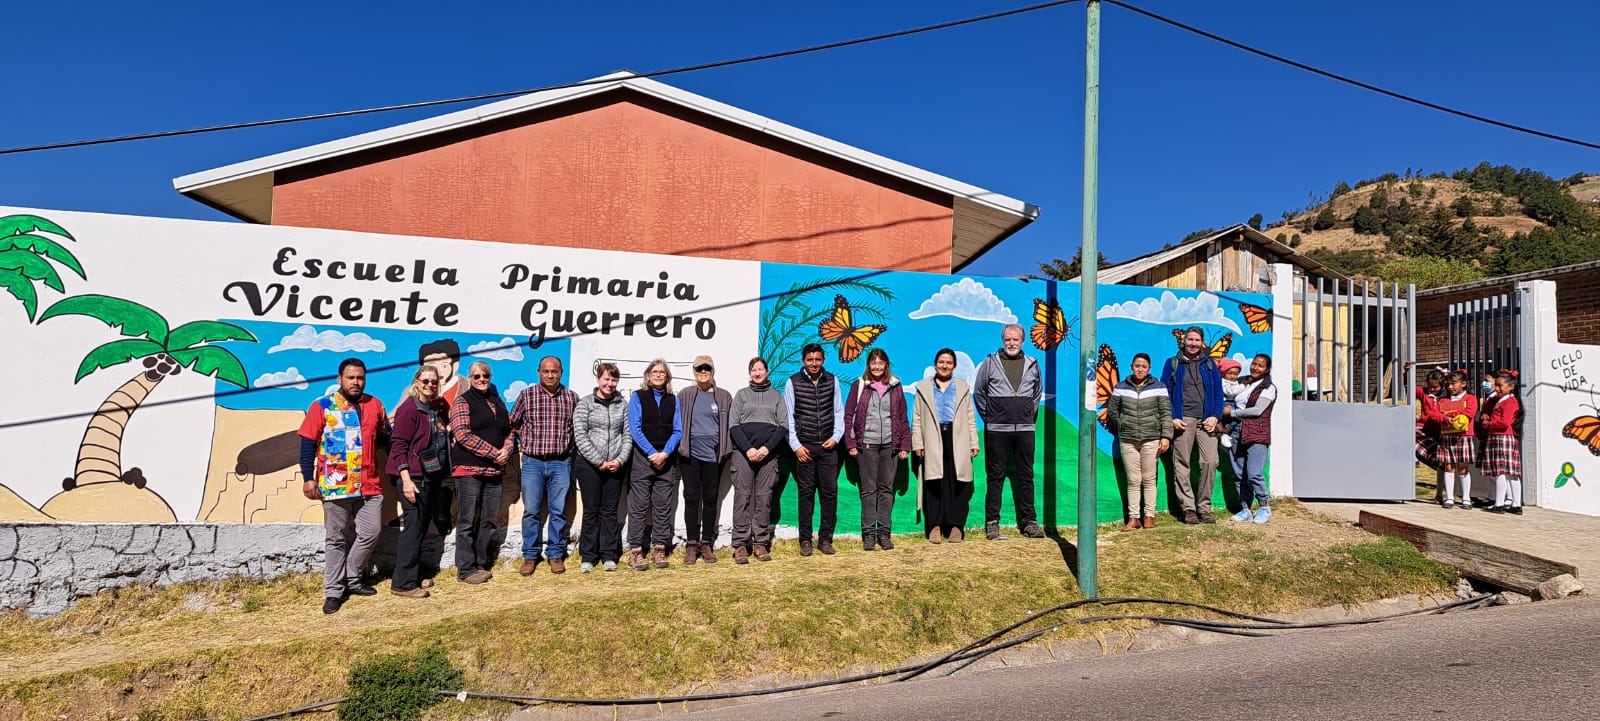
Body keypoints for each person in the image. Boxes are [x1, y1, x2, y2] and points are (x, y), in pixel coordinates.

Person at [299, 358, 391, 614]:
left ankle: (352, 577)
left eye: (360, 377)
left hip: (369, 485)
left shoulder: (376, 405)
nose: (356, 382)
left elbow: (387, 439)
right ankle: (334, 591)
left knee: (371, 532)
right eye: (350, 377)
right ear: (340, 379)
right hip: (335, 486)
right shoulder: (323, 406)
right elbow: (307, 444)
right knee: (336, 539)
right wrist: (308, 477)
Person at [973, 324, 1045, 540]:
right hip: (996, 431)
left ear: (1023, 341)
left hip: (1024, 430)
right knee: (995, 477)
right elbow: (979, 393)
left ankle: (1030, 523)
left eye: (1015, 339)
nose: (1011, 343)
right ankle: (992, 523)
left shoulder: (1033, 364)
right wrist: (993, 418)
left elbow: (1036, 393)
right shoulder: (990, 363)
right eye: (1007, 340)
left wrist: (1025, 416)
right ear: (1003, 341)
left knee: (1026, 476)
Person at [509, 356, 579, 576]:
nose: (550, 375)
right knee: (531, 511)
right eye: (546, 371)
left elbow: (577, 428)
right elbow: (513, 422)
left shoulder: (571, 397)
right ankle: (530, 555)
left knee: (558, 511)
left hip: (561, 462)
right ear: (539, 372)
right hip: (532, 463)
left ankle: (556, 554)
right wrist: (527, 438)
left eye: (555, 371)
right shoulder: (527, 396)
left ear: (561, 373)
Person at [386, 365, 452, 598]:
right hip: (413, 478)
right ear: (416, 382)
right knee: (412, 529)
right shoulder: (409, 409)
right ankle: (402, 584)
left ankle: (412, 575)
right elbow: (399, 446)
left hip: (430, 476)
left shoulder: (436, 407)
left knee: (421, 528)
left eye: (434, 382)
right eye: (425, 381)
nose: (430, 385)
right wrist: (406, 479)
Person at [449, 360, 514, 584]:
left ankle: (481, 563)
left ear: (490, 377)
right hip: (469, 470)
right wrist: (494, 453)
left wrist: (507, 449)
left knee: (488, 519)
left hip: (493, 472)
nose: (482, 380)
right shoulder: (462, 402)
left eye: (485, 375)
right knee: (467, 520)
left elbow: (509, 431)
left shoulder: (498, 402)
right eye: (476, 376)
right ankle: (465, 569)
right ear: (470, 378)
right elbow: (462, 435)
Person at [843, 348, 911, 551]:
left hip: (890, 445)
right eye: (873, 362)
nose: (877, 366)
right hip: (867, 445)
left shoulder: (895, 385)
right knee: (868, 490)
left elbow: (902, 416)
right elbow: (849, 416)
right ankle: (869, 535)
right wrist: (851, 443)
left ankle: (884, 534)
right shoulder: (860, 385)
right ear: (868, 365)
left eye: (881, 362)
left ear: (886, 365)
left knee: (886, 489)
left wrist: (904, 444)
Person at [911, 348, 979, 543]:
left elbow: (970, 416)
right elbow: (916, 418)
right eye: (941, 362)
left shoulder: (962, 386)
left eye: (949, 363)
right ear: (935, 364)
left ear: (954, 366)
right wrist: (918, 443)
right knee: (934, 482)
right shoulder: (923, 388)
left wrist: (973, 442)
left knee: (957, 483)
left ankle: (956, 526)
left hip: (957, 438)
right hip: (932, 438)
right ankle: (935, 526)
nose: (945, 365)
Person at [1160, 326, 1225, 524]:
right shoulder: (1172, 364)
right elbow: (1165, 393)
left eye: (1197, 340)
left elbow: (1218, 394)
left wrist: (1215, 416)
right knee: (1182, 464)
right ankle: (1188, 509)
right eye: (1190, 340)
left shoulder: (1210, 365)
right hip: (1183, 420)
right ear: (1184, 341)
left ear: (1202, 342)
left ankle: (1204, 508)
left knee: (1209, 462)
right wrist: (1172, 416)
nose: (1193, 344)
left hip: (1207, 420)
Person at [785, 344, 846, 556]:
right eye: (810, 359)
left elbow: (839, 411)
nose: (814, 363)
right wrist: (796, 446)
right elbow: (789, 417)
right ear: (803, 360)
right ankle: (805, 540)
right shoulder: (792, 382)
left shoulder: (833, 381)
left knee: (829, 494)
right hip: (805, 448)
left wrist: (836, 437)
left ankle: (826, 539)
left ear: (823, 360)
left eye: (817, 359)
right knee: (806, 495)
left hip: (828, 447)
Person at [729, 357, 788, 563]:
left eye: (760, 369)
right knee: (742, 498)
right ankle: (740, 545)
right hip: (743, 455)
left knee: (764, 498)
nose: (757, 372)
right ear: (749, 373)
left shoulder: (777, 397)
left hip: (769, 456)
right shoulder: (741, 395)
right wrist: (749, 449)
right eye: (753, 369)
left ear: (767, 371)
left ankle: (760, 543)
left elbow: (783, 426)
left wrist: (766, 448)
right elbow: (733, 425)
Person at [572, 362, 629, 572]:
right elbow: (580, 434)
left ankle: (609, 555)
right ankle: (588, 555)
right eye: (606, 379)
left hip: (615, 465)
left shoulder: (622, 404)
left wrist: (620, 460)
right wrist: (598, 461)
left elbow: (627, 435)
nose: (610, 383)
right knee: (591, 510)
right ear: (598, 379)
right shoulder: (585, 403)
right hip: (589, 466)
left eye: (614, 380)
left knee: (610, 512)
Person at [1106, 352, 1172, 531]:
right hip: (1128, 440)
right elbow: (1112, 411)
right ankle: (1133, 518)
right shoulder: (1121, 387)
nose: (1140, 369)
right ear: (1131, 367)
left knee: (1149, 479)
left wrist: (1165, 436)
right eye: (1137, 365)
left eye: (1144, 366)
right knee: (1133, 480)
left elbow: (1166, 413)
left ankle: (1149, 516)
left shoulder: (1159, 387)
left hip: (1151, 439)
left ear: (1149, 369)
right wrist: (1123, 423)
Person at [627, 359, 682, 570]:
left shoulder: (673, 400)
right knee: (639, 506)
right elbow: (635, 428)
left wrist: (665, 453)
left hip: (666, 460)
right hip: (643, 458)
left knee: (662, 506)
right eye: (654, 372)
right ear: (648, 376)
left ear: (667, 377)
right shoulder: (638, 397)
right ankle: (636, 551)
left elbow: (677, 430)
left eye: (662, 372)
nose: (658, 375)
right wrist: (652, 453)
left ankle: (660, 548)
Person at [678, 355, 733, 565]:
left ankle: (707, 543)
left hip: (714, 457)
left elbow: (729, 425)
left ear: (713, 371)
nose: (703, 371)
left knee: (710, 499)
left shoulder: (724, 396)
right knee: (691, 498)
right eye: (699, 368)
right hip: (690, 456)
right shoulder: (685, 395)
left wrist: (725, 449)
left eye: (707, 368)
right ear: (693, 371)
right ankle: (691, 545)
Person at [1226, 354, 1277, 524]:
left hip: (1257, 432)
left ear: (1267, 369)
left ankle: (1264, 506)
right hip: (1237, 430)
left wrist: (1231, 413)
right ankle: (1245, 509)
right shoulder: (1243, 382)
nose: (1255, 367)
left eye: (1260, 365)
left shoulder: (1269, 387)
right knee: (1239, 474)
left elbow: (1257, 410)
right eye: (1254, 364)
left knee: (1254, 473)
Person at [1431, 370, 1478, 509]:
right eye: (1448, 384)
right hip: (1447, 436)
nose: (1450, 387)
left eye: (1453, 384)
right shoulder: (1443, 400)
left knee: (1463, 467)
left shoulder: (1470, 398)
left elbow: (1469, 412)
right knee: (1448, 466)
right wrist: (1445, 418)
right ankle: (1449, 497)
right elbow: (1435, 414)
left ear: (1463, 384)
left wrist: (1450, 414)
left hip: (1463, 437)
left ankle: (1466, 498)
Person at [1480, 370, 1524, 515]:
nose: (1497, 388)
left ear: (1511, 386)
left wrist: (1489, 423)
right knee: (1509, 472)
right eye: (1496, 385)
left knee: (1502, 472)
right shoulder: (1502, 400)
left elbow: (1504, 422)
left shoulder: (1510, 401)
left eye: (1500, 386)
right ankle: (1515, 504)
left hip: (1502, 437)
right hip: (1499, 437)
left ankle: (1500, 503)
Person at [1216, 358, 1243, 451]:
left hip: (1233, 403)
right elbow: (1230, 392)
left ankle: (1227, 430)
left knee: (1240, 416)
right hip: (1226, 403)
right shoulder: (1223, 382)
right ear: (1223, 373)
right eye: (1230, 373)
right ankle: (1224, 434)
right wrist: (1243, 386)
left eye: (1236, 374)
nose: (1233, 376)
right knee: (1238, 415)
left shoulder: (1235, 382)